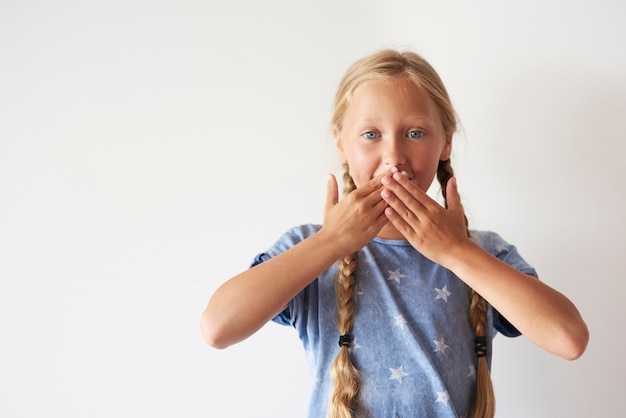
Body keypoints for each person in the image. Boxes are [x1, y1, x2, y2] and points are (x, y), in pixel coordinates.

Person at [200, 49, 589, 418]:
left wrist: (456, 251)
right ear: (340, 142)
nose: (394, 156)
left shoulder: (481, 253)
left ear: (446, 142)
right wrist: (331, 242)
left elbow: (569, 339)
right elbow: (218, 327)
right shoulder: (310, 250)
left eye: (415, 133)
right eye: (371, 134)